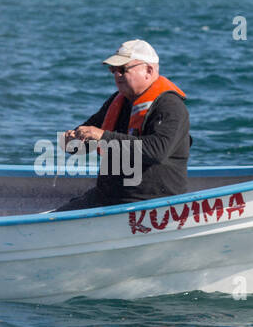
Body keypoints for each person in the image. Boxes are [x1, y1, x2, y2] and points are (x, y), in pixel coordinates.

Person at [55, 40, 190, 211]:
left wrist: (103, 136)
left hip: (151, 203)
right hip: (108, 198)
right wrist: (71, 142)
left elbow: (156, 151)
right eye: (113, 70)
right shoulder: (117, 101)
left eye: (122, 70)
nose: (116, 76)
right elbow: (88, 134)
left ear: (148, 70)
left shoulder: (170, 106)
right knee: (53, 219)